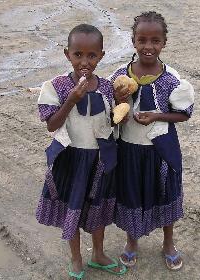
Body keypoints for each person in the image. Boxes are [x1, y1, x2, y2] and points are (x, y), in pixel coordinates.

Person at [35, 24, 126, 279]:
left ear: (101, 56)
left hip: (99, 159)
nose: (84, 61)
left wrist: (123, 109)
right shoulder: (57, 86)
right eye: (78, 55)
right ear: (67, 54)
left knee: (98, 208)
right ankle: (76, 258)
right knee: (71, 208)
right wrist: (72, 100)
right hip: (72, 159)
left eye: (92, 56)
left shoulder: (107, 87)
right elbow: (52, 125)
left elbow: (113, 121)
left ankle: (98, 253)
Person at [110, 11, 195, 271]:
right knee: (131, 194)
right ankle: (131, 242)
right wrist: (120, 115)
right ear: (133, 41)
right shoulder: (119, 76)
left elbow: (183, 113)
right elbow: (112, 112)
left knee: (165, 192)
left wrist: (157, 115)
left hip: (161, 150)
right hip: (129, 150)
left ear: (164, 43)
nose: (148, 47)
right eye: (142, 40)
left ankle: (168, 243)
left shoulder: (172, 79)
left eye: (155, 41)